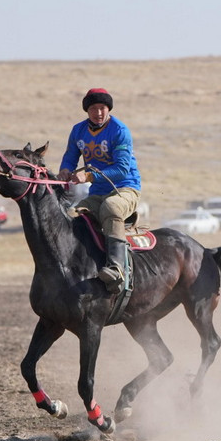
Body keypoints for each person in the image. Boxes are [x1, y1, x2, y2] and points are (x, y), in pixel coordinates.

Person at [57, 88, 142, 294]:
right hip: (97, 192)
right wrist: (65, 170)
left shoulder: (120, 130)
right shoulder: (78, 131)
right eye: (94, 108)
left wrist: (86, 176)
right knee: (69, 216)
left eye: (102, 108)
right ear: (87, 111)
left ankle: (116, 268)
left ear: (108, 109)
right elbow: (70, 156)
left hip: (125, 189)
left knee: (111, 207)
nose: (99, 113)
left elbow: (121, 170)